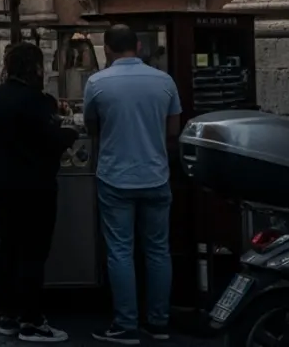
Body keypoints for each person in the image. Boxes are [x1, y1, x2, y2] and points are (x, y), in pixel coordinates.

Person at [84, 23, 182, 344]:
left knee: (120, 251)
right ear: (138, 46)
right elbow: (172, 131)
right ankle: (158, 321)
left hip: (115, 177)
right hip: (156, 175)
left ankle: (126, 324)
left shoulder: (97, 83)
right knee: (158, 250)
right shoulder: (165, 81)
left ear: (107, 49)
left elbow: (92, 127)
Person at [0, 42, 79, 343]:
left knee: (9, 247)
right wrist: (70, 132)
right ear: (35, 67)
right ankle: (32, 319)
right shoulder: (36, 101)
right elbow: (51, 138)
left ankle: (7, 314)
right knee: (33, 252)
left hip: (0, 184)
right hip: (33, 185)